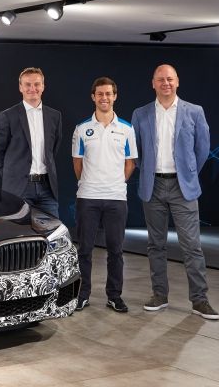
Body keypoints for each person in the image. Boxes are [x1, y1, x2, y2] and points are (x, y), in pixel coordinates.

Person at [131, 64, 218, 320]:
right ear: (153, 83)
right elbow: (136, 151)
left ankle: (200, 300)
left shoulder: (194, 111)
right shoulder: (141, 114)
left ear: (177, 81)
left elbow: (203, 149)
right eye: (160, 79)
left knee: (192, 246)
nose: (165, 83)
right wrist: (148, 171)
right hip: (153, 186)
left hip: (183, 187)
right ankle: (159, 295)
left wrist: (187, 172)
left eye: (169, 79)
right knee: (155, 245)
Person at [71, 77, 137, 313]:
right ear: (93, 97)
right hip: (88, 197)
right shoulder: (81, 129)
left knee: (116, 251)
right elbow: (77, 163)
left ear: (115, 96)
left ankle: (114, 296)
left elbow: (130, 163)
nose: (104, 98)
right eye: (100, 94)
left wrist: (115, 183)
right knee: (85, 250)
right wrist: (91, 183)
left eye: (108, 93)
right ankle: (82, 295)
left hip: (116, 198)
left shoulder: (127, 129)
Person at [0, 67, 62, 217]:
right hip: (18, 189)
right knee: (16, 230)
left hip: (47, 188)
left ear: (43, 86)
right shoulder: (8, 116)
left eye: (36, 84)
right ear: (20, 87)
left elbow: (53, 149)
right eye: (28, 84)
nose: (32, 88)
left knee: (52, 229)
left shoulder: (55, 116)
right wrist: (12, 174)